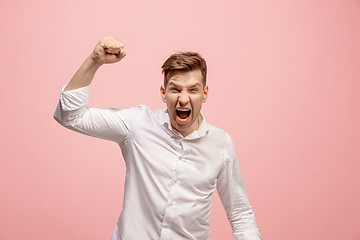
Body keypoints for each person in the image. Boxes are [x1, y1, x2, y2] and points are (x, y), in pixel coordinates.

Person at [54, 36, 262, 240]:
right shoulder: (137, 125)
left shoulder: (221, 144)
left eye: (193, 90)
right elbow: (69, 116)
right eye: (175, 89)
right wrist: (95, 60)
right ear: (163, 93)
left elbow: (240, 214)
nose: (183, 99)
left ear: (205, 93)